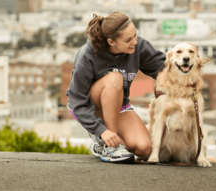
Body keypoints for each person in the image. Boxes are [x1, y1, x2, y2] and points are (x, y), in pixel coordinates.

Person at [66, 12, 166, 162]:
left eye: (135, 35)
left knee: (144, 148)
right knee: (115, 78)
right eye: (128, 40)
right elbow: (77, 101)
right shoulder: (87, 56)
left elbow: (165, 69)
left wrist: (186, 63)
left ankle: (101, 144)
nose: (135, 42)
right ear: (111, 42)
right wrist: (101, 130)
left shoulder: (138, 46)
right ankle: (109, 147)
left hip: (118, 104)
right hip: (89, 107)